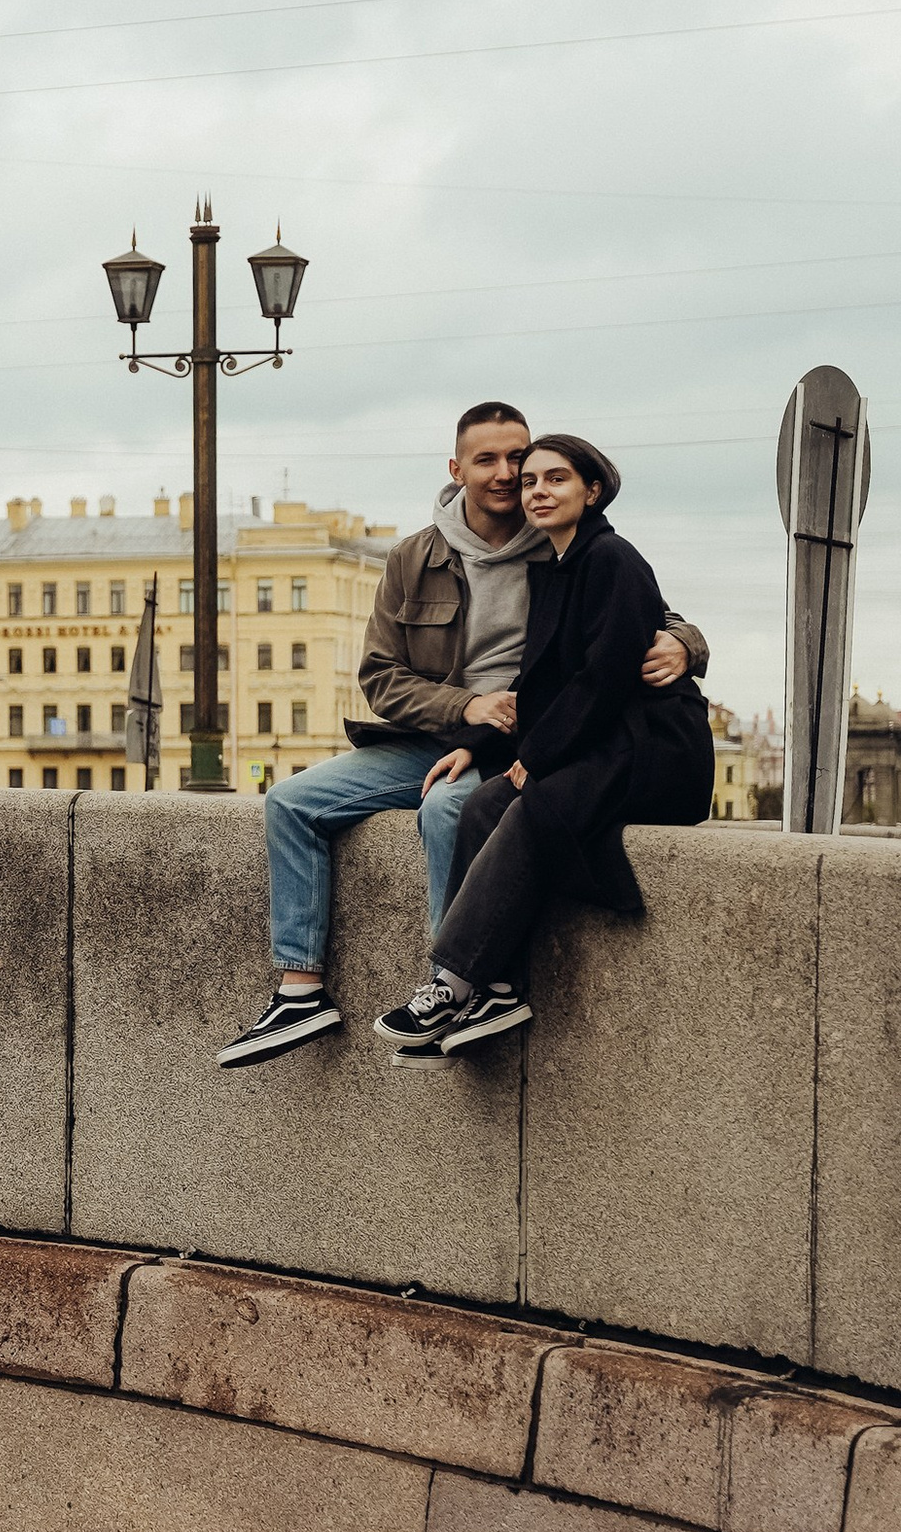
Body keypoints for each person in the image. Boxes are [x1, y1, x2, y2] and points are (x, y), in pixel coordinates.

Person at [218, 402, 702, 1068]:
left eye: (521, 460)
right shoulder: (417, 556)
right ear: (456, 469)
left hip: (524, 740)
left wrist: (684, 642)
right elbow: (379, 675)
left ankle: (461, 987)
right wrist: (465, 707)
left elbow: (642, 618)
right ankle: (301, 990)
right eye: (490, 461)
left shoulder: (563, 541)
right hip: (442, 732)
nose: (511, 477)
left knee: (451, 808)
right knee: (290, 802)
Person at [376, 433, 714, 1057]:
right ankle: (496, 990)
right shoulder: (558, 568)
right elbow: (538, 684)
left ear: (592, 490)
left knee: (535, 808)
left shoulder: (612, 558)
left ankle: (451, 983)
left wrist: (537, 758)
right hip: (606, 742)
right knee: (481, 805)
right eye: (531, 482)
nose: (536, 491)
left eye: (555, 479)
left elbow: (604, 680)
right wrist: (478, 746)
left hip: (653, 750)